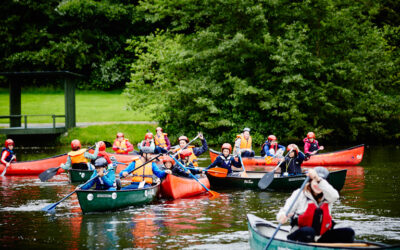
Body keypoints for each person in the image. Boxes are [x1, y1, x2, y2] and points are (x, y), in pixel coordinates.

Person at [276, 167, 355, 243]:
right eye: (315, 182)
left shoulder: (328, 196)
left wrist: (317, 179)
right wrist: (282, 216)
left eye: (319, 182)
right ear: (310, 182)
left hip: (321, 237)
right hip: (301, 235)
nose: (317, 185)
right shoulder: (299, 193)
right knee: (308, 232)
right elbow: (284, 211)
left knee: (349, 232)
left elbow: (335, 196)